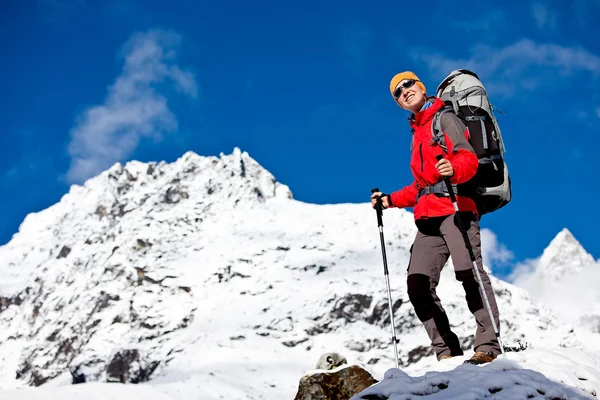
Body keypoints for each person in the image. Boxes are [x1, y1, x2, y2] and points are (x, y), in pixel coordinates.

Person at [370, 71, 502, 365]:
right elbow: (420, 187)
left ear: (420, 86)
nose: (404, 91)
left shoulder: (444, 119)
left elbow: (466, 158)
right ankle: (447, 352)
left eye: (408, 85)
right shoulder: (417, 132)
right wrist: (389, 200)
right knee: (417, 284)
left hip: (457, 208)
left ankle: (488, 345)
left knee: (470, 273)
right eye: (397, 92)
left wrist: (452, 169)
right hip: (428, 219)